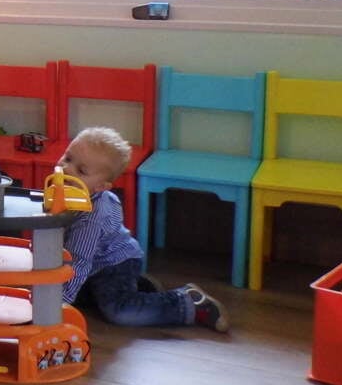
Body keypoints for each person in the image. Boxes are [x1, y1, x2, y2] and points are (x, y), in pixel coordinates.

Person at [56, 127, 229, 332]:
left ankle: (187, 302)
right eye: (67, 158)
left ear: (101, 186)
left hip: (114, 265)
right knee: (73, 294)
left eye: (81, 171)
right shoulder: (64, 192)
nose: (66, 169)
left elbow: (80, 260)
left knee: (118, 311)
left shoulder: (92, 215)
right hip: (95, 265)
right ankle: (140, 287)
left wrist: (57, 305)